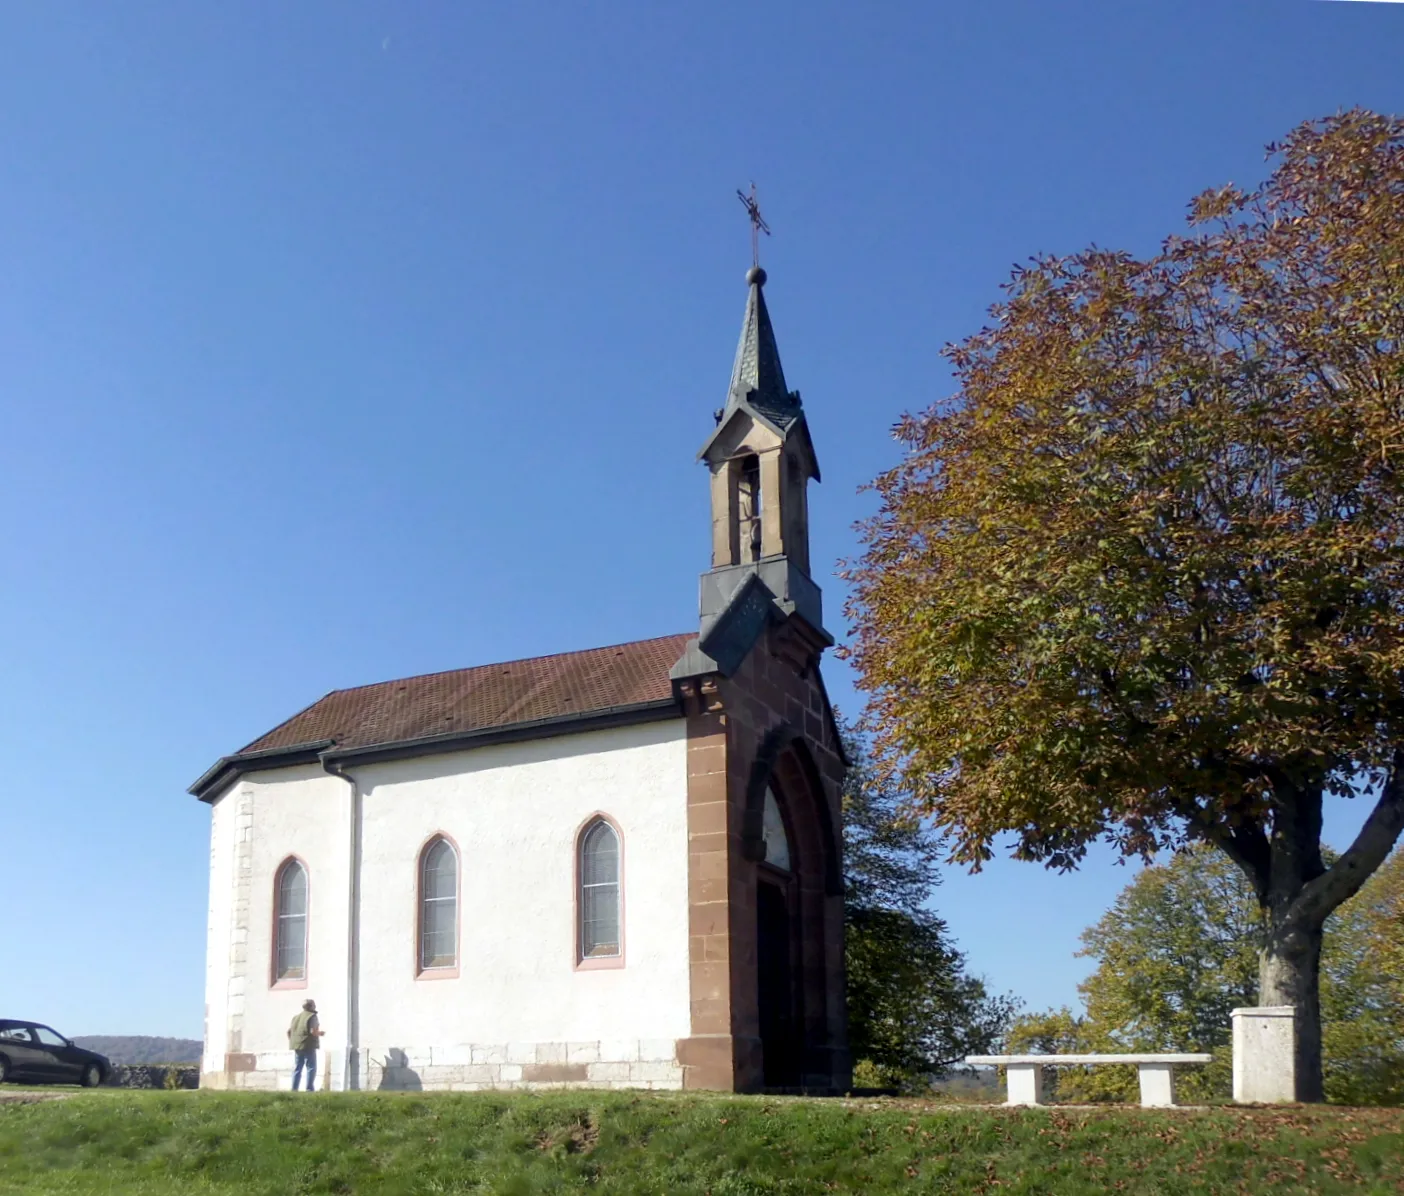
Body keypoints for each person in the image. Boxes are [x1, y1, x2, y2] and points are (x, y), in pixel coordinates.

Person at [287, 999, 324, 1092]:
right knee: (311, 1067)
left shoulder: (296, 1017)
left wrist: (293, 1041)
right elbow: (313, 1031)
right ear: (311, 1006)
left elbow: (289, 1031)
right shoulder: (312, 1016)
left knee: (298, 1067)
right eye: (314, 1005)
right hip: (308, 1045)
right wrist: (321, 1033)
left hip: (297, 1045)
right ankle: (309, 1088)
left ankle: (294, 1088)